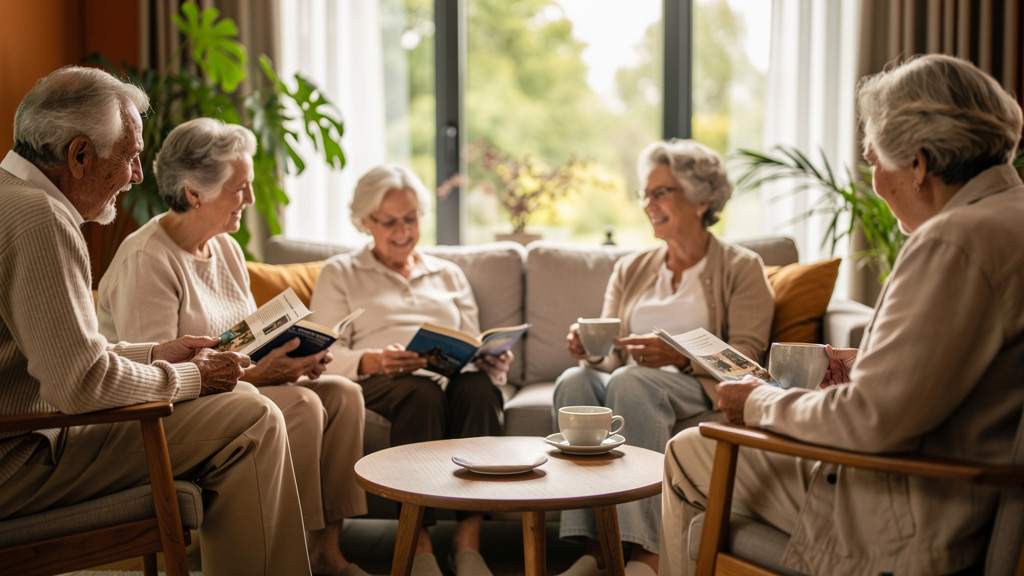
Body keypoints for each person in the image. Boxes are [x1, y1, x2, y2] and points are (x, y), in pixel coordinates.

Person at [661, 54, 1024, 576]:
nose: (873, 180)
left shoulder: (953, 241)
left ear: (918, 164)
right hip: (959, 490)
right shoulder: (1005, 221)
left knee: (690, 450)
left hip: (911, 512)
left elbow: (870, 422)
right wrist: (861, 361)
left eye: (874, 162)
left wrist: (760, 401)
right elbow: (962, 371)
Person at [0, 66, 311, 575]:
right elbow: (80, 386)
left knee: (246, 403)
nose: (139, 176)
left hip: (26, 435)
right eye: (131, 155)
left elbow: (60, 357)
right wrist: (194, 376)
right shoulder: (42, 219)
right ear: (79, 155)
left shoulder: (8, 196)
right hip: (20, 458)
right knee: (251, 416)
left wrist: (154, 354)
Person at [97, 118, 372, 576]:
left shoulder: (224, 248)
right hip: (171, 411)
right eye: (239, 187)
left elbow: (248, 336)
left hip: (234, 387)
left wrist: (295, 356)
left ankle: (325, 549)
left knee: (345, 394)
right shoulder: (148, 258)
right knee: (301, 406)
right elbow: (157, 381)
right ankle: (290, 554)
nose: (250, 199)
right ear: (193, 193)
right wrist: (263, 374)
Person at [553, 139, 774, 576]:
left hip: (697, 385)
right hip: (630, 378)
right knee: (574, 384)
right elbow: (611, 354)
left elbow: (747, 359)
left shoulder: (742, 267)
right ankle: (596, 549)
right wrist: (589, 352)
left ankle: (647, 554)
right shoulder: (632, 268)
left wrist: (679, 354)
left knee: (632, 383)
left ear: (701, 199)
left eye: (660, 192)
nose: (647, 204)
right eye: (645, 193)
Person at [309, 163, 512, 576]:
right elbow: (323, 354)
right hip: (378, 377)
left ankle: (468, 543)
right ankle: (418, 546)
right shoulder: (340, 272)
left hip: (444, 374)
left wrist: (490, 359)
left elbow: (471, 339)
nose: (403, 231)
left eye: (411, 218)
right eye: (389, 222)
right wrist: (374, 359)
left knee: (479, 390)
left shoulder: (448, 273)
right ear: (364, 222)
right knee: (421, 394)